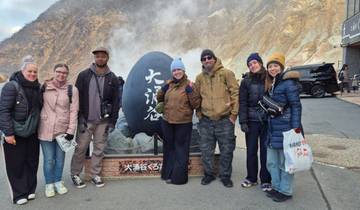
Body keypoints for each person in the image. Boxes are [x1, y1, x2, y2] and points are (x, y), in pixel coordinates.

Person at [70, 47, 120, 188]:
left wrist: (113, 121)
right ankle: (75, 174)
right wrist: (79, 118)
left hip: (103, 122)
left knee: (99, 148)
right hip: (86, 120)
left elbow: (116, 102)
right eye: (97, 56)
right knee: (80, 148)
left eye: (103, 56)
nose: (100, 58)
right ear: (94, 58)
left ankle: (95, 175)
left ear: (107, 58)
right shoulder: (84, 75)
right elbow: (76, 98)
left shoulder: (113, 78)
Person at [0, 56, 41, 205]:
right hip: (15, 133)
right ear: (22, 71)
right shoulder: (12, 86)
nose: (32, 74)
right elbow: (3, 110)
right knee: (16, 164)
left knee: (32, 161)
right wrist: (8, 133)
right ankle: (19, 194)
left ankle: (30, 189)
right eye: (30, 71)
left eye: (35, 72)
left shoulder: (37, 87)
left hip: (32, 132)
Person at [195, 49, 239, 188]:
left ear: (214, 58)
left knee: (226, 150)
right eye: (204, 59)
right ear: (202, 62)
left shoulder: (226, 73)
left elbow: (235, 93)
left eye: (209, 57)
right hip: (206, 121)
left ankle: (225, 176)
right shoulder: (199, 78)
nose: (207, 60)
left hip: (225, 120)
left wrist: (233, 115)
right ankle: (209, 174)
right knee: (206, 150)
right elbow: (196, 97)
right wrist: (199, 115)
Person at [264, 52, 302, 202]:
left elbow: (296, 106)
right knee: (272, 162)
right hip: (273, 129)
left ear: (281, 67)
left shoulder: (288, 83)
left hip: (286, 129)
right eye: (270, 66)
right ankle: (277, 187)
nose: (272, 69)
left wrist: (295, 128)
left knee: (285, 163)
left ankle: (285, 191)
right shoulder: (274, 83)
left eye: (275, 66)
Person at [156, 58, 201, 185]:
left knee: (181, 150)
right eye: (174, 70)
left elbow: (196, 104)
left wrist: (191, 92)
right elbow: (159, 98)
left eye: (179, 69)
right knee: (169, 148)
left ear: (183, 70)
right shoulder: (169, 84)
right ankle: (167, 175)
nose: (177, 72)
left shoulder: (190, 85)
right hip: (167, 122)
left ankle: (179, 178)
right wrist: (163, 89)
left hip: (183, 123)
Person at [37, 64, 79, 197]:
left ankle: (58, 181)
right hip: (45, 128)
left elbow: (74, 111)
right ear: (54, 72)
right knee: (49, 159)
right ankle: (49, 184)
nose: (61, 75)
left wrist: (71, 130)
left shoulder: (72, 90)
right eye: (59, 72)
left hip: (63, 130)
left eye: (65, 73)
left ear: (68, 74)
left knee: (60, 159)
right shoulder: (44, 87)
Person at [238, 53, 271, 191]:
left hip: (267, 120)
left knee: (265, 151)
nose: (252, 66)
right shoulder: (246, 81)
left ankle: (266, 180)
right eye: (250, 64)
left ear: (260, 63)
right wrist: (243, 121)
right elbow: (243, 102)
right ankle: (251, 178)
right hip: (251, 121)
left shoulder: (269, 78)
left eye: (254, 63)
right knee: (251, 151)